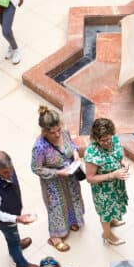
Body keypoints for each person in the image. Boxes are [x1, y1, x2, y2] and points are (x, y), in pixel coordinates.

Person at [31, 106, 86, 252]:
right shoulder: (39, 147)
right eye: (52, 132)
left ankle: (72, 220)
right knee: (57, 207)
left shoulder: (65, 132)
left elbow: (71, 145)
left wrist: (75, 153)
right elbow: (36, 168)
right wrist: (58, 173)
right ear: (44, 131)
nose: (56, 135)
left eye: (58, 130)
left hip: (70, 177)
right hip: (54, 183)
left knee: (73, 198)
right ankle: (55, 236)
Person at [0, 151, 38, 267]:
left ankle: (16, 243)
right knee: (12, 238)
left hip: (12, 210)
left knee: (13, 235)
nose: (10, 174)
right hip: (5, 220)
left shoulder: (6, 169)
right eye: (6, 172)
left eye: (11, 169)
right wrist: (17, 218)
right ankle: (21, 264)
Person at [83, 118, 129, 247]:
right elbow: (90, 178)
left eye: (109, 138)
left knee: (115, 205)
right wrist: (112, 174)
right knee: (105, 212)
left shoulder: (113, 139)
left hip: (116, 185)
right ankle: (107, 234)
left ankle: (113, 220)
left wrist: (122, 163)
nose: (108, 142)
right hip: (103, 191)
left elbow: (118, 155)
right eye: (103, 140)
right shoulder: (92, 153)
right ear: (96, 138)